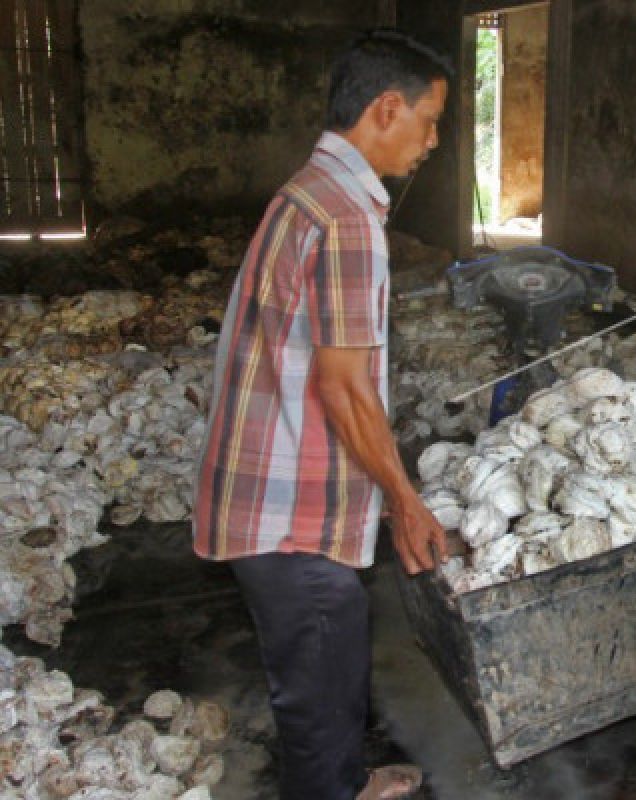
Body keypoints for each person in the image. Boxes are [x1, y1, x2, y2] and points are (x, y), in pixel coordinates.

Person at [192, 30, 450, 799]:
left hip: (267, 488)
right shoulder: (346, 219)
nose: (434, 141)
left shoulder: (303, 193)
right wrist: (405, 502)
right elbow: (343, 387)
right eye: (430, 121)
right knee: (317, 688)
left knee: (325, 671)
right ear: (387, 107)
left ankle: (344, 779)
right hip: (290, 514)